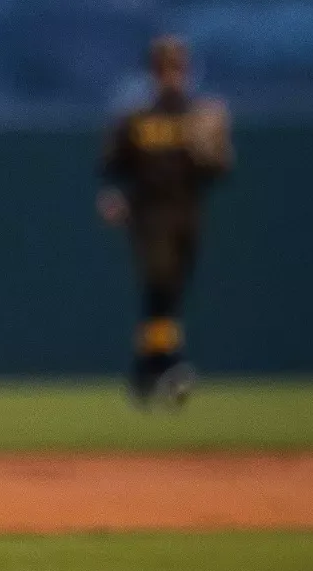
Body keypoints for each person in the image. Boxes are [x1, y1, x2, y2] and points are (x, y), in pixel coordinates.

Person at [97, 35, 233, 407]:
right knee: (160, 287)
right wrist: (112, 196)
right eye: (164, 67)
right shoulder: (137, 118)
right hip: (148, 214)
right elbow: (111, 166)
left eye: (176, 67)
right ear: (153, 71)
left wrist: (211, 149)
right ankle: (171, 365)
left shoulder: (200, 116)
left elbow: (219, 168)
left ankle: (147, 371)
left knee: (168, 294)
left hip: (187, 212)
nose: (170, 74)